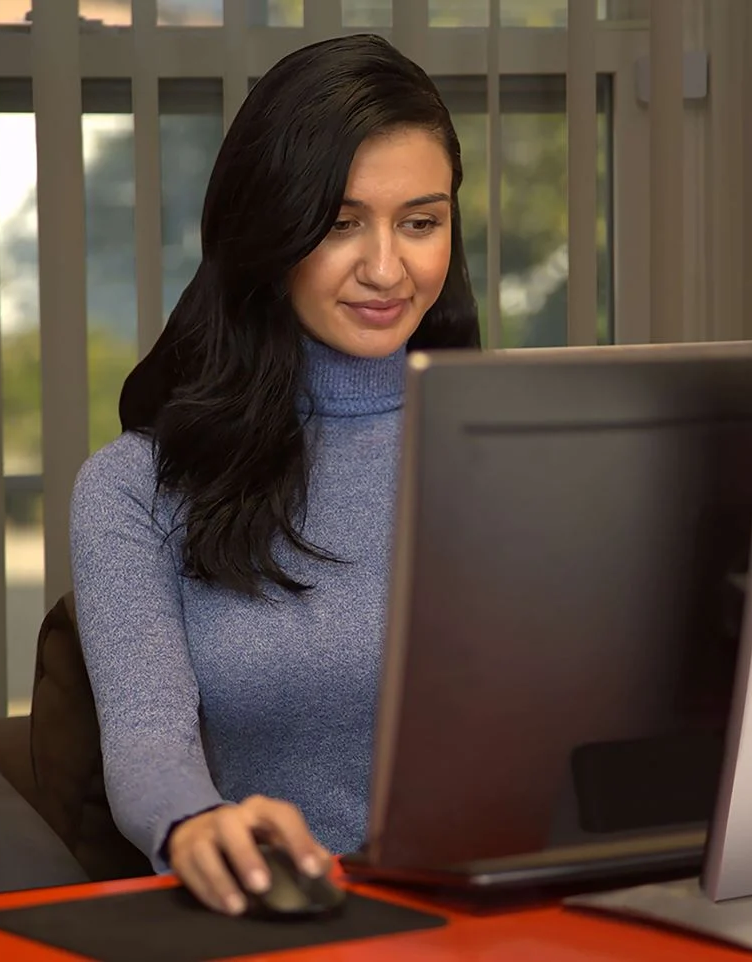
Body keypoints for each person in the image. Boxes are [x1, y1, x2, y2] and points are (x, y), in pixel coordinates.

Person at [68, 33, 481, 917]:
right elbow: (148, 743)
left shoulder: (515, 449)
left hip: (526, 913)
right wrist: (191, 825)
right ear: (271, 230)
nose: (385, 268)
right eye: (338, 224)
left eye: (421, 222)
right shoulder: (135, 489)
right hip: (299, 918)